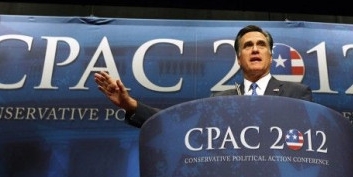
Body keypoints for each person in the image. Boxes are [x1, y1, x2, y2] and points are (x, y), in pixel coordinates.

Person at [94, 24, 313, 127]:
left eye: (261, 45)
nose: (255, 49)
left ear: (271, 56)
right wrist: (130, 105)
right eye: (247, 46)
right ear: (238, 58)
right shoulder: (220, 100)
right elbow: (178, 122)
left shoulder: (296, 93)